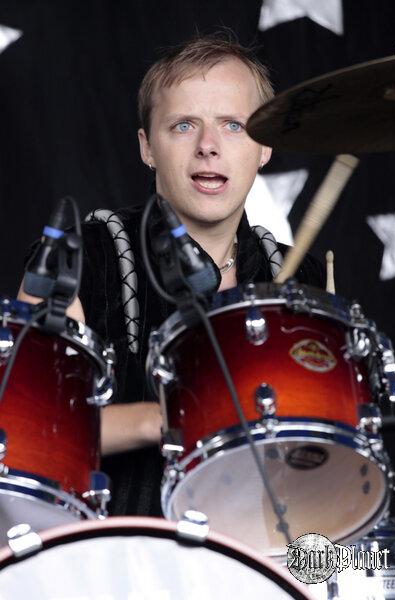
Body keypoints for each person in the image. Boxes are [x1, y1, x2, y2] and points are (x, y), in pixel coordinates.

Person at [19, 34, 324, 517]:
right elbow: (26, 425)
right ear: (147, 147)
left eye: (233, 125)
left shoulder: (299, 274)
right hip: (114, 550)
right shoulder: (80, 255)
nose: (208, 147)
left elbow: (325, 451)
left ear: (264, 146)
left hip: (261, 548)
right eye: (184, 125)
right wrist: (163, 419)